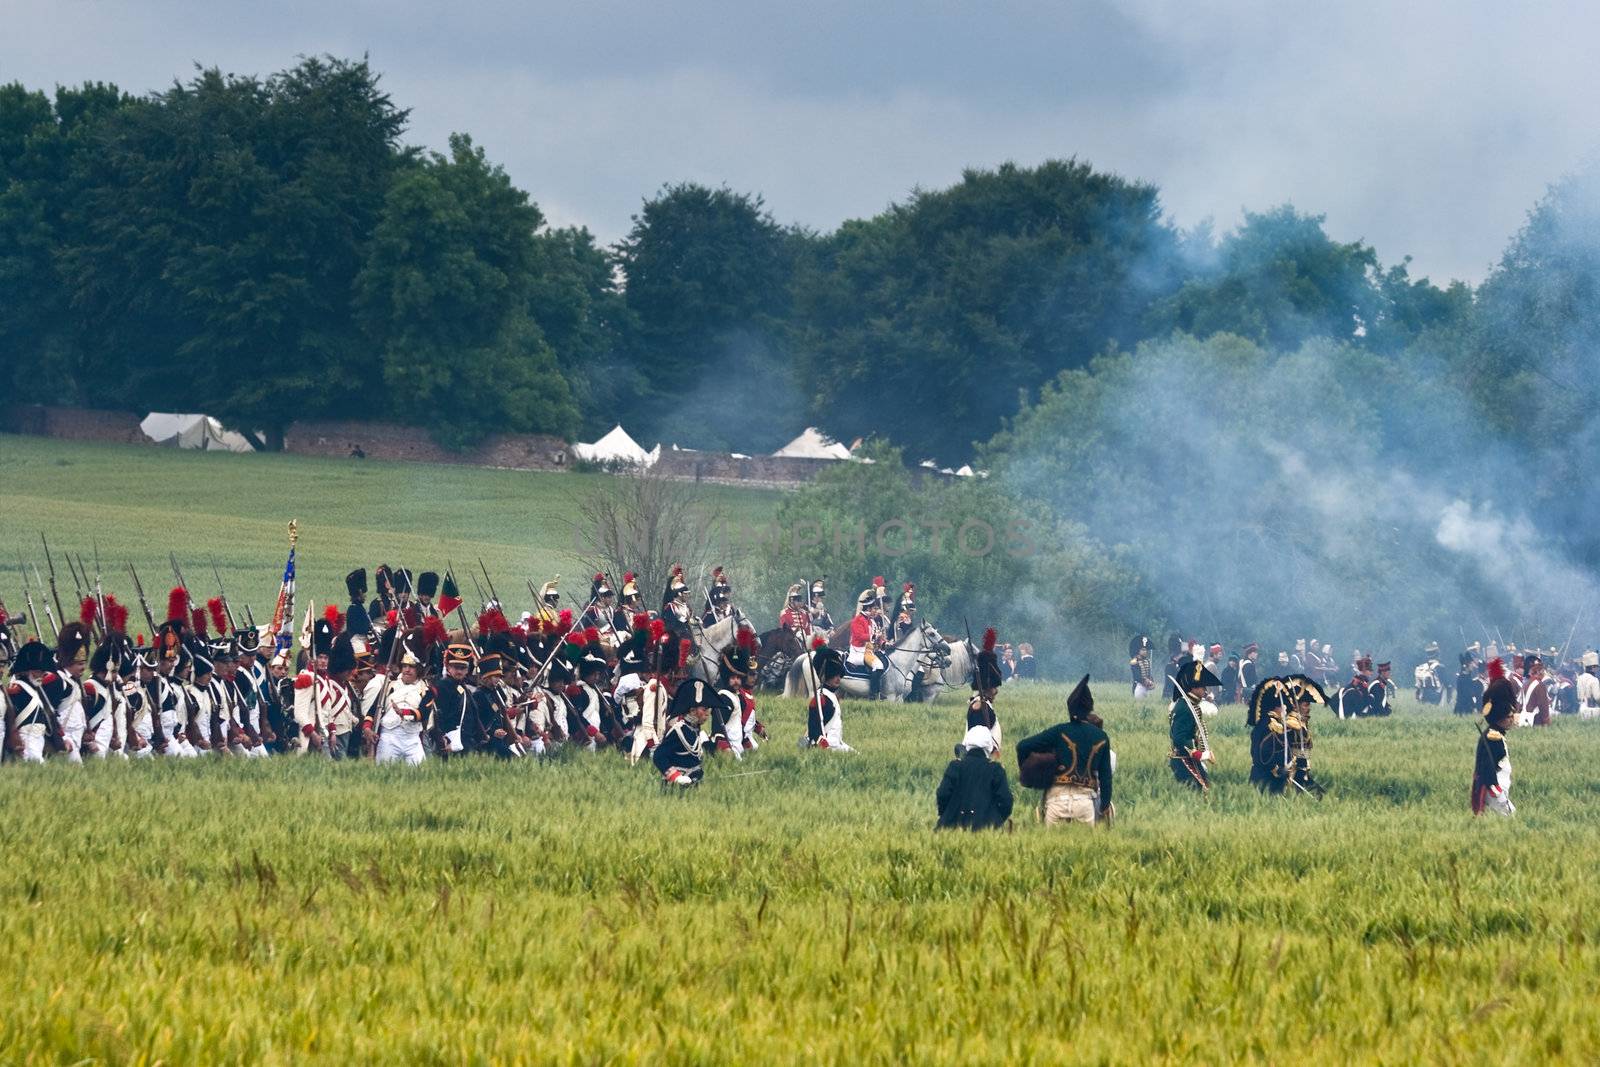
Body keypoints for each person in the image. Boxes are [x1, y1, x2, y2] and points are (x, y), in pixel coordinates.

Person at [1014, 675, 1114, 826]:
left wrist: (1028, 775)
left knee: (1051, 849)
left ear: (1070, 708)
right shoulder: (1101, 736)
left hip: (1056, 801)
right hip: (1085, 803)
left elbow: (1022, 746)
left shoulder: (1059, 731)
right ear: (1089, 708)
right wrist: (1105, 805)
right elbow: (1106, 777)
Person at [936, 725, 1013, 830]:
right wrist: (996, 820)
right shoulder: (996, 770)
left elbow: (942, 794)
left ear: (967, 744)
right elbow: (1006, 801)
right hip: (987, 832)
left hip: (951, 829)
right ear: (989, 747)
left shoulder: (955, 766)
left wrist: (947, 814)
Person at [654, 677, 719, 787]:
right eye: (704, 709)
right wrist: (676, 777)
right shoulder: (678, 731)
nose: (707, 713)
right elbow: (658, 755)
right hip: (676, 785)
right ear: (692, 711)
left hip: (693, 783)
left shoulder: (695, 729)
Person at [1472, 658, 1517, 816]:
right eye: (1509, 716)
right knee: (1510, 817)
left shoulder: (1496, 734)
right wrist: (1495, 789)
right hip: (1495, 790)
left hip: (1500, 788)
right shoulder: (1492, 737)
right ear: (1500, 717)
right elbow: (1486, 766)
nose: (1512, 719)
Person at [5, 638, 61, 762]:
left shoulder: (37, 691)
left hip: (38, 746)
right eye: (37, 672)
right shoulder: (17, 690)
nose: (41, 675)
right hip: (25, 749)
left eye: (42, 672)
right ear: (25, 671)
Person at [1169, 658, 1221, 791]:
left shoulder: (1191, 705)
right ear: (1194, 687)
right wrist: (1200, 754)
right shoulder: (1185, 708)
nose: (1205, 690)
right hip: (1183, 759)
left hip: (1190, 758)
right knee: (1199, 790)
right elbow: (1179, 739)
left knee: (1204, 789)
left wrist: (1204, 751)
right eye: (1203, 686)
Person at [804, 644, 851, 751]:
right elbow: (813, 728)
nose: (838, 679)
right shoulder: (820, 698)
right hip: (826, 748)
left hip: (837, 745)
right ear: (826, 676)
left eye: (839, 675)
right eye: (834, 675)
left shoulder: (831, 696)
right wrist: (821, 742)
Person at [966, 628, 1004, 752]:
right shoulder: (988, 657)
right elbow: (995, 674)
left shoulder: (985, 657)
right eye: (994, 689)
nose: (996, 692)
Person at [1518, 653, 1552, 727]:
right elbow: (1543, 706)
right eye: (1542, 670)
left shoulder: (1526, 683)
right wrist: (1547, 721)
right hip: (1535, 721)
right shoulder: (1540, 685)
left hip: (1523, 719)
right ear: (1539, 671)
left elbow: (1519, 704)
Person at [1577, 651, 1600, 719]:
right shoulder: (1594, 679)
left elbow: (1579, 696)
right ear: (1593, 667)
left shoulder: (1580, 678)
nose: (1597, 669)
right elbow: (1597, 697)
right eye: (1596, 667)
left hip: (1582, 708)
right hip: (1593, 710)